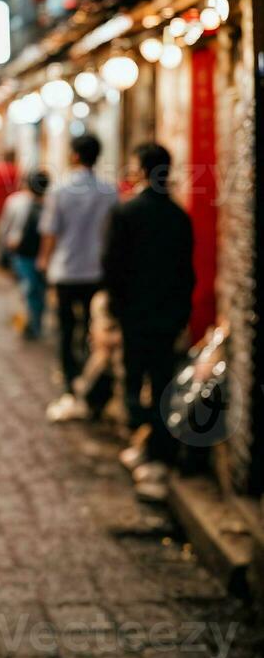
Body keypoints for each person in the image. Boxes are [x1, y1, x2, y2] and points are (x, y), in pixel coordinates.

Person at [102, 143, 195, 501]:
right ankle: (156, 448)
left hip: (135, 313)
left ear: (141, 170)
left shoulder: (127, 213)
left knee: (133, 377)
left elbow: (113, 266)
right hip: (168, 313)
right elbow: (186, 272)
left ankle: (146, 442)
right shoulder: (178, 215)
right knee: (162, 380)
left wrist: (115, 307)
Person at [38, 133, 118, 421]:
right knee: (92, 328)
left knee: (66, 327)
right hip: (97, 271)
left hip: (66, 270)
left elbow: (50, 231)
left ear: (74, 155)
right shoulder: (109, 191)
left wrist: (44, 260)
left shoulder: (59, 190)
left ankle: (70, 384)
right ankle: (89, 377)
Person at [5, 169, 50, 340]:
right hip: (30, 254)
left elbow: (6, 228)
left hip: (30, 254)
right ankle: (32, 323)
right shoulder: (19, 202)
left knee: (32, 288)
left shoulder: (18, 202)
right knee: (33, 288)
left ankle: (33, 322)